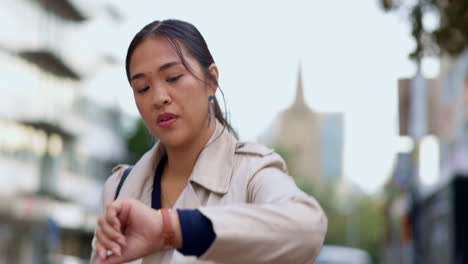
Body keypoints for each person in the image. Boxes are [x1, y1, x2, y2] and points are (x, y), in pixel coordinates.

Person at [90, 19, 327, 264]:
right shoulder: (119, 187)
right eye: (143, 88)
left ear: (211, 80)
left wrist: (170, 229)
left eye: (173, 77)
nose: (158, 98)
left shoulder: (251, 172)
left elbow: (307, 227)